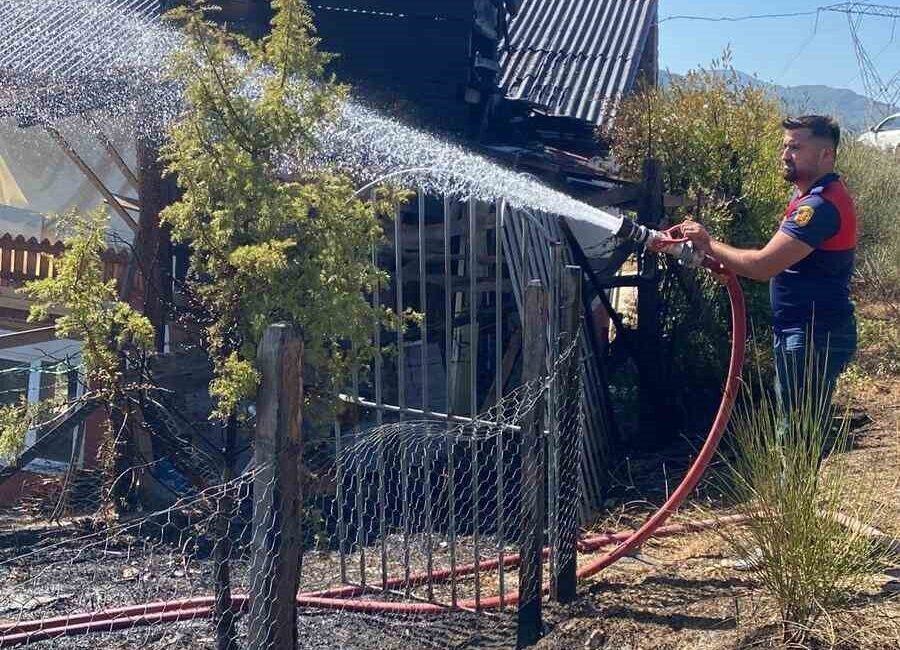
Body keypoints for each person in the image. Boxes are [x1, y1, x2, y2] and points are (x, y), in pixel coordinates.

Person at [679, 115, 858, 419]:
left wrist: (709, 244)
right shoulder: (811, 197)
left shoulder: (818, 208)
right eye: (784, 147)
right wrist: (723, 261)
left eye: (795, 148)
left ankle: (797, 469)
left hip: (812, 336)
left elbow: (762, 266)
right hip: (806, 331)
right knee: (799, 427)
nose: (785, 155)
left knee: (797, 434)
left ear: (826, 154)